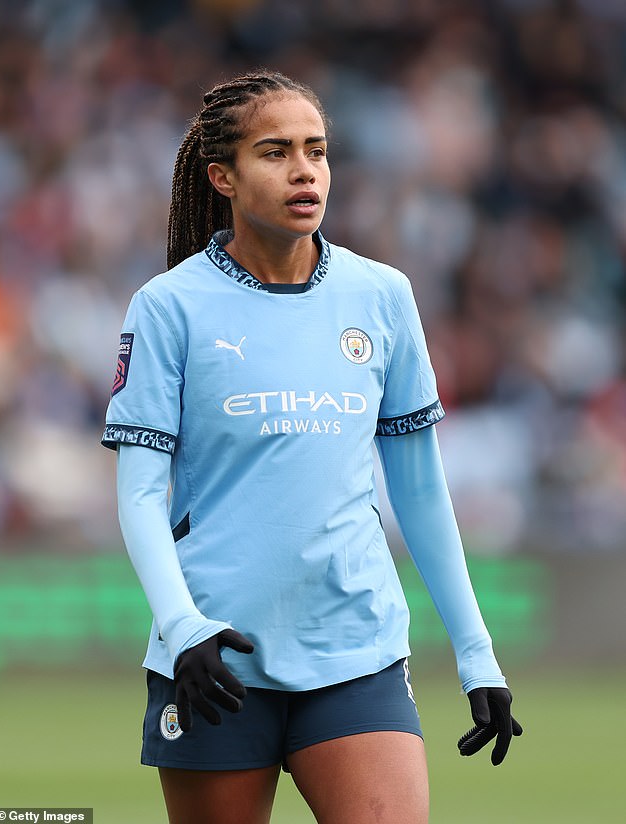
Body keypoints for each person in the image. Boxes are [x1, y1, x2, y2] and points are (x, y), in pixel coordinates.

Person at [101, 70, 522, 824]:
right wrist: (182, 623)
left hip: (356, 651)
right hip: (215, 659)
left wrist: (474, 650)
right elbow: (138, 494)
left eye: (316, 151)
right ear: (221, 176)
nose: (304, 171)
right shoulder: (169, 306)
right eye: (275, 153)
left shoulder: (383, 295)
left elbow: (421, 491)